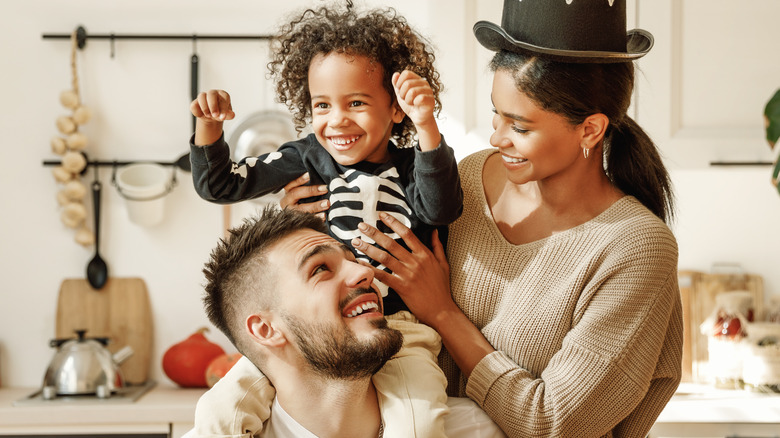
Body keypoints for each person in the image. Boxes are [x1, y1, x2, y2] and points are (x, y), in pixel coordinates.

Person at [282, 1, 684, 437]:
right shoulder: (469, 178)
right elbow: (363, 277)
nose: (496, 137)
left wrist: (442, 313)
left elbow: (552, 423)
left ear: (590, 129)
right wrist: (304, 226)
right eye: (496, 113)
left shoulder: (635, 248)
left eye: (520, 127)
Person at [189, 3, 462, 316]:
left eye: (356, 103)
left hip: (404, 321)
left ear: (397, 109)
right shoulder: (307, 158)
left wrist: (426, 124)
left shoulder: (415, 167)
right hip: (322, 320)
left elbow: (443, 209)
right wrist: (209, 125)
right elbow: (219, 185)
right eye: (322, 105)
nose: (337, 120)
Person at [187, 206, 505, 438]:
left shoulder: (471, 431)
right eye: (320, 269)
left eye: (351, 259)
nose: (364, 272)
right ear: (266, 330)